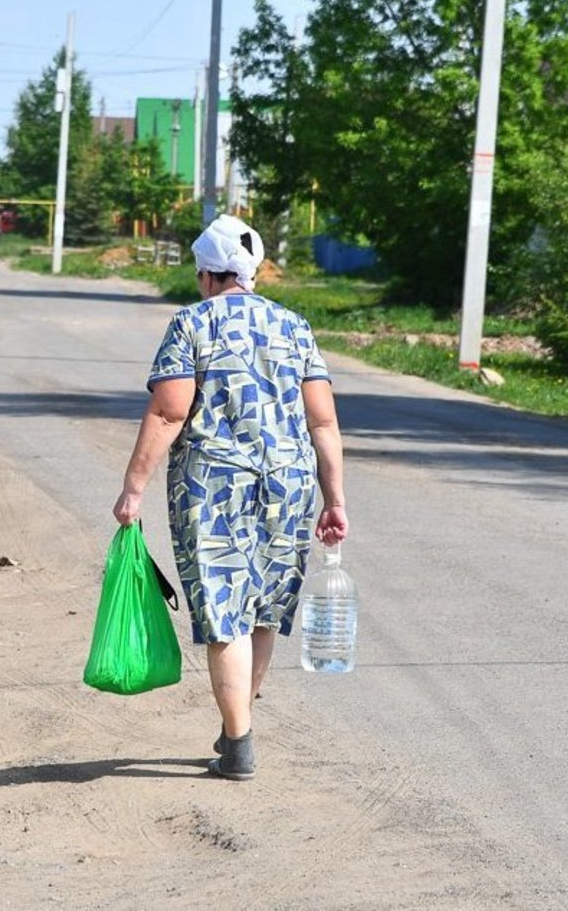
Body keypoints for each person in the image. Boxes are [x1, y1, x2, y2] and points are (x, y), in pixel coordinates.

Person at [113, 214, 348, 781]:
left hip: (213, 488)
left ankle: (239, 741)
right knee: (262, 611)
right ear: (250, 271)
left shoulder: (192, 324)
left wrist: (132, 488)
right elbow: (323, 422)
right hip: (288, 486)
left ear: (206, 274)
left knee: (225, 613)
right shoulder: (295, 326)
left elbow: (170, 411)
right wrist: (334, 498)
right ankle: (236, 727)